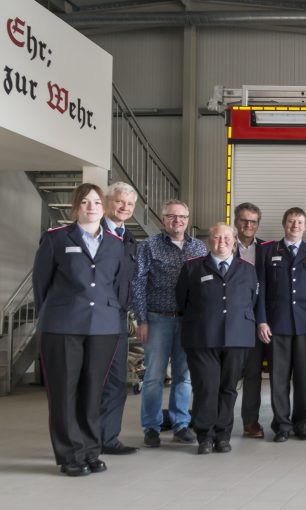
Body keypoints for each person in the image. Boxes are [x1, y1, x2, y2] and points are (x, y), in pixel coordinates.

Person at [33, 183, 127, 476]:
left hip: (103, 326)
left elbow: (118, 286)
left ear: (104, 206)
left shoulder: (116, 243)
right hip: (62, 327)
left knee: (92, 392)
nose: (91, 207)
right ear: (76, 207)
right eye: (84, 202)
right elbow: (41, 285)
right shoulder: (55, 239)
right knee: (64, 392)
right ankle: (70, 455)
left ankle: (90, 450)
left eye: (96, 202)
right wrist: (51, 315)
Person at [177, 223, 259, 454]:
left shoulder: (248, 269)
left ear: (234, 240)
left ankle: (223, 436)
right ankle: (205, 436)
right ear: (208, 240)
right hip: (202, 337)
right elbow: (182, 300)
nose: (221, 241)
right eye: (215, 237)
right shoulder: (192, 268)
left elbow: (252, 299)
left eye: (226, 237)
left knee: (229, 388)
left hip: (237, 337)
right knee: (206, 387)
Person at [132, 199, 208, 448]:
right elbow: (139, 283)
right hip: (157, 319)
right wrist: (141, 320)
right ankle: (151, 427)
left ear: (188, 219)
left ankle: (180, 424)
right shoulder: (149, 246)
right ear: (163, 219)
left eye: (182, 217)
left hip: (188, 321)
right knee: (153, 376)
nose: (178, 221)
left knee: (183, 376)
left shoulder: (199, 247)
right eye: (172, 217)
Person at [257, 207, 306, 442]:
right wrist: (262, 321)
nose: (295, 226)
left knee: (304, 378)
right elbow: (261, 289)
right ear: (283, 224)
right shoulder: (268, 251)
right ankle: (282, 426)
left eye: (299, 222)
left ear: (305, 226)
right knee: (278, 379)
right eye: (291, 221)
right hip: (277, 326)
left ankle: (302, 423)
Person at [98, 182, 140, 455]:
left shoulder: (130, 239)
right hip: (92, 318)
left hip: (118, 319)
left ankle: (108, 438)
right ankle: (85, 439)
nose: (124, 208)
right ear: (107, 201)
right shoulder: (92, 233)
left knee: (116, 382)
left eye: (130, 204)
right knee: (90, 381)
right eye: (119, 202)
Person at [233, 202, 269, 439]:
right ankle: (218, 420)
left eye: (253, 221)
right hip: (229, 322)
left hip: (256, 320)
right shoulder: (222, 243)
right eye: (244, 220)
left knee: (253, 375)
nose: (248, 225)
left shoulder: (267, 249)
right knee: (226, 375)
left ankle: (250, 422)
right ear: (236, 221)